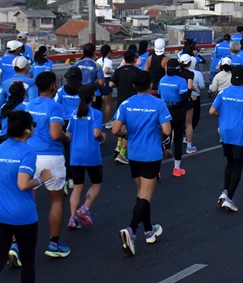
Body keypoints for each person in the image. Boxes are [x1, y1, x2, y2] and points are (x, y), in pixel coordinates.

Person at [0, 110, 49, 283]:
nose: (33, 128)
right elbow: (23, 184)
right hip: (23, 216)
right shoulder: (28, 152)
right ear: (27, 130)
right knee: (28, 263)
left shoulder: (1, 148)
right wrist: (42, 178)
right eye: (32, 125)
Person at [112, 69, 172, 256]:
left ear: (133, 86)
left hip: (133, 154)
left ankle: (148, 231)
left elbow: (115, 130)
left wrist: (126, 135)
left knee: (140, 194)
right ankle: (131, 230)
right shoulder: (158, 103)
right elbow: (167, 131)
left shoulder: (126, 104)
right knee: (146, 196)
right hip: (151, 154)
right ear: (151, 85)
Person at [25, 71, 72, 258]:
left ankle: (16, 245)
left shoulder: (29, 105)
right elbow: (55, 134)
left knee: (27, 200)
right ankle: (54, 243)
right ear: (54, 86)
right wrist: (67, 136)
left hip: (30, 156)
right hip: (51, 156)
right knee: (56, 201)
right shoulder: (55, 107)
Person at [210, 65, 243, 212]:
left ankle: (225, 191)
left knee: (229, 162)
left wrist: (223, 116)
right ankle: (230, 198)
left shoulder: (223, 92)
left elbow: (212, 111)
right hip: (240, 133)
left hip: (225, 132)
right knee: (238, 165)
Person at [67, 84, 104, 230]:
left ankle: (73, 218)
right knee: (96, 183)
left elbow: (68, 133)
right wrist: (103, 136)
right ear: (92, 97)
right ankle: (84, 208)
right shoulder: (96, 113)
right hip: (91, 153)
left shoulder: (73, 113)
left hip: (75, 154)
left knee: (77, 187)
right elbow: (96, 133)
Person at [158, 59, 189, 176]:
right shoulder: (181, 81)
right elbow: (183, 98)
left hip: (164, 111)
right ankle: (176, 168)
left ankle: (156, 169)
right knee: (178, 139)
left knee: (164, 138)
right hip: (178, 112)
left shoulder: (162, 80)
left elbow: (161, 95)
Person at [109, 50, 140, 163]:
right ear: (134, 59)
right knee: (129, 129)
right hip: (132, 102)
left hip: (120, 102)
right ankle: (122, 154)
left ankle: (118, 146)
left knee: (121, 126)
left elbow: (111, 84)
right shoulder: (137, 72)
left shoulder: (118, 71)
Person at [97, 44, 115, 121]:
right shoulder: (109, 61)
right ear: (108, 52)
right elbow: (106, 71)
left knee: (98, 104)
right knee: (107, 104)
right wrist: (113, 71)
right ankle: (108, 122)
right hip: (106, 81)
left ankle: (97, 122)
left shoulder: (98, 60)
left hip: (98, 81)